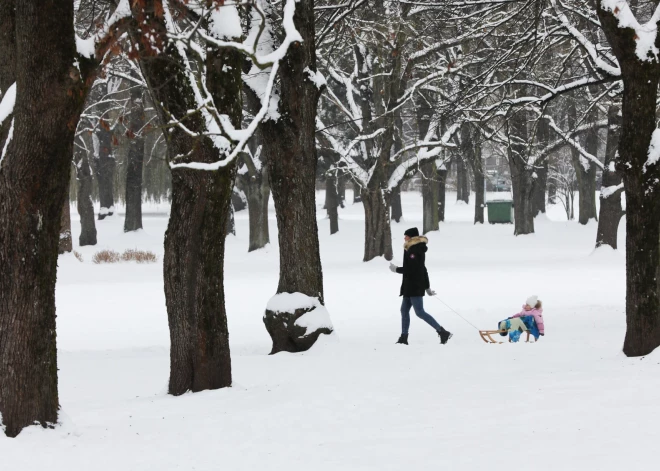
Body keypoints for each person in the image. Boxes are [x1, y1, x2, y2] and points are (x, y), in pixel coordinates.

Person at [389, 227, 452, 345]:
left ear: (411, 237)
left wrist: (396, 269)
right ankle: (404, 337)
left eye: (406, 236)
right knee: (404, 310)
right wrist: (427, 287)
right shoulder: (410, 248)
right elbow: (423, 269)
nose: (404, 238)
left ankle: (442, 332)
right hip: (409, 286)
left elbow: (412, 269)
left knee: (419, 312)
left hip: (415, 286)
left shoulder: (414, 250)